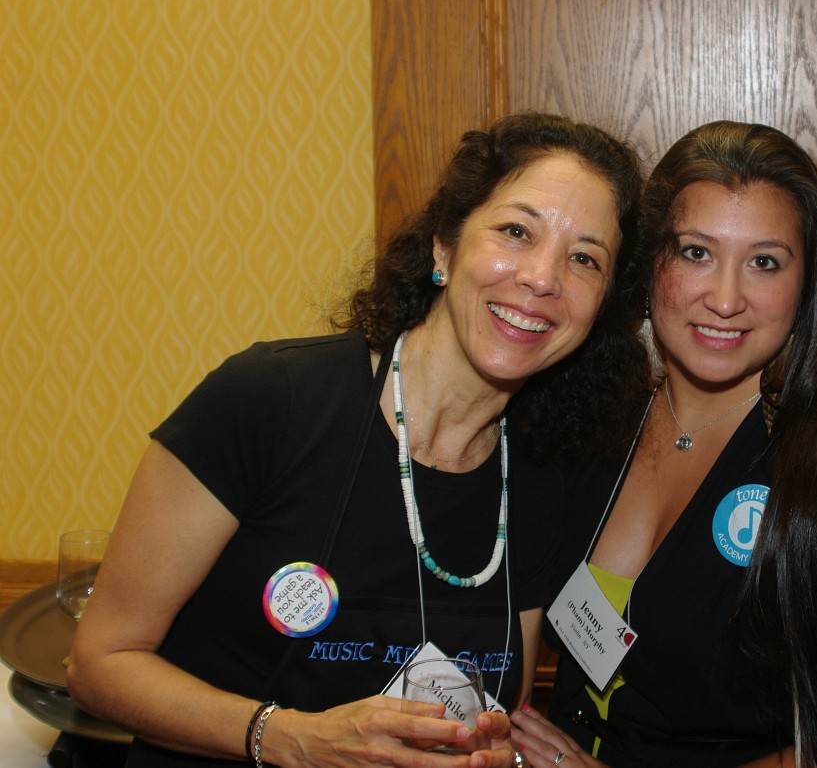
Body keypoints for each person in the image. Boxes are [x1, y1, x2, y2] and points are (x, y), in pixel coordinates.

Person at [67, 113, 651, 768]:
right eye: (516, 231)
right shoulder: (273, 400)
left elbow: (498, 705)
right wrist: (292, 739)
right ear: (443, 246)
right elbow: (100, 663)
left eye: (583, 259)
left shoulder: (547, 474)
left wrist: (497, 752)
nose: (544, 277)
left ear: (602, 302)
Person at [510, 121, 817, 768]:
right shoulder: (593, 422)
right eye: (695, 252)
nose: (724, 299)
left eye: (764, 262)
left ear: (806, 286)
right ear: (647, 262)